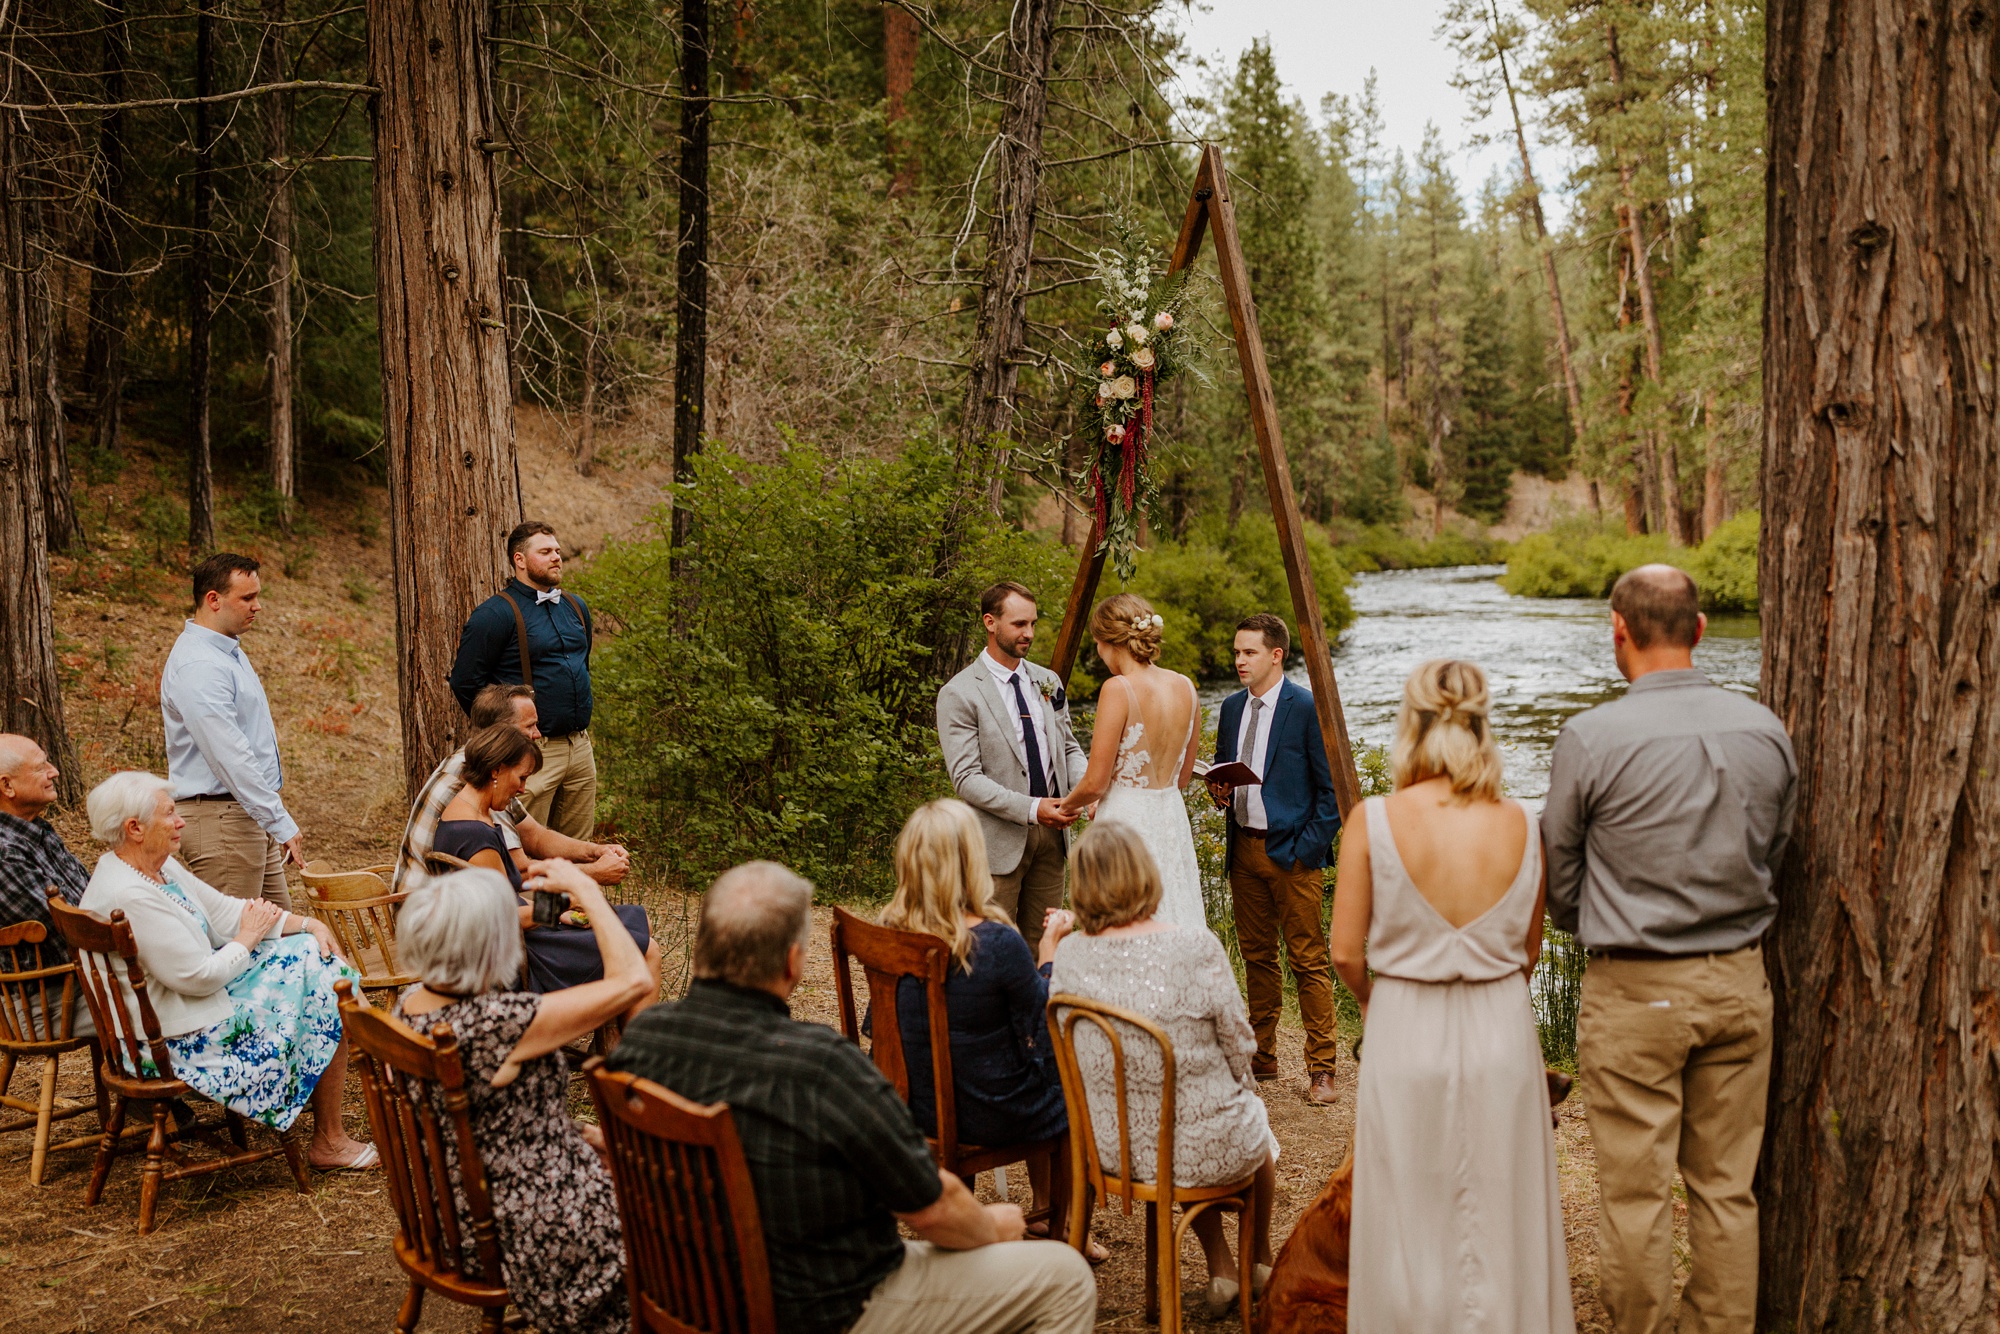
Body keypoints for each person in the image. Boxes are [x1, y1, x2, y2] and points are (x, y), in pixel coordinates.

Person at [609, 861, 1096, 1334]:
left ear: (701, 947)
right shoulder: (820, 1066)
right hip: (832, 1307)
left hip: (688, 1296)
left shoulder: (643, 1041)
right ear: (793, 961)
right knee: (1065, 1276)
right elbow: (931, 1208)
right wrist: (995, 1227)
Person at [1542, 564, 1796, 1334]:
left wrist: (1614, 925)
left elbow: (1561, 879)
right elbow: (1774, 852)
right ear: (1701, 630)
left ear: (1618, 629)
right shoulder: (1766, 729)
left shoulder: (1590, 738)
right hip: (1740, 982)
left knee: (1635, 1194)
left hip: (1635, 990)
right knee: (1726, 1189)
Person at [1329, 659, 1574, 1334]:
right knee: (1502, 1206)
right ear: (1482, 725)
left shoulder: (1374, 820)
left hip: (1406, 1021)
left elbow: (1346, 951)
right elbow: (1527, 953)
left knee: (1409, 1204)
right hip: (1500, 1028)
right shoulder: (1523, 823)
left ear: (1410, 724)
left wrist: (1376, 1001)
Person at [395, 863, 650, 1334]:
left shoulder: (411, 1003)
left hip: (451, 1208)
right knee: (680, 1214)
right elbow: (635, 981)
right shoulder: (496, 1023)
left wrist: (573, 1133)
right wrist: (589, 893)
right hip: (527, 1222)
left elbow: (490, 1113)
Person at [77, 771, 373, 1168]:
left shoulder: (154, 868)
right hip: (176, 1042)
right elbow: (198, 977)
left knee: (312, 955)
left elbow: (227, 911)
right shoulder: (130, 894)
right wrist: (248, 938)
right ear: (135, 828)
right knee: (325, 988)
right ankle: (342, 1126)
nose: (181, 820)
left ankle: (378, 1069)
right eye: (170, 814)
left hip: (185, 1012)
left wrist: (308, 924)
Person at [1047, 822, 1277, 1318]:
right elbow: (1242, 1044)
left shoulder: (1068, 955)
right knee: (1245, 1119)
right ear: (1145, 875)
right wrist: (1238, 1082)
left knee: (1174, 1121)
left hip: (1112, 1148)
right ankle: (1257, 1262)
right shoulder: (1196, 946)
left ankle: (1222, 1270)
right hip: (1198, 1146)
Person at [879, 800, 1102, 1259]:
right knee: (1077, 1086)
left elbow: (877, 1028)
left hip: (909, 1106)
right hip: (988, 1109)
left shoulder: (888, 935)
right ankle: (1065, 1229)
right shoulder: (997, 942)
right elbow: (1044, 1030)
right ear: (970, 861)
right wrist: (1049, 951)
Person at [1205, 613, 1342, 1106]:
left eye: (1249, 653)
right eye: (1237, 652)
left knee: (1308, 960)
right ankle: (1262, 1054)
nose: (1239, 660)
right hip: (1243, 848)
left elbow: (1331, 795)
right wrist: (1220, 793)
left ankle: (1322, 1068)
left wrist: (1305, 850)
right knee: (1257, 957)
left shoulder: (1306, 707)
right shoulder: (1228, 707)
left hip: (1293, 854)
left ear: (1276, 654)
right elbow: (1228, 773)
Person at [431, 724, 658, 1011]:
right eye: (522, 777)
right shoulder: (474, 833)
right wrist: (562, 903)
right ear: (496, 770)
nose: (523, 789)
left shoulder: (468, 813)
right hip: (522, 956)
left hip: (524, 938)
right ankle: (626, 1050)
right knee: (646, 950)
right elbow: (504, 919)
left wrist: (564, 908)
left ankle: (612, 1038)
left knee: (638, 923)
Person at [936, 581, 1086, 953]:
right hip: (996, 841)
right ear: (990, 622)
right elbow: (967, 779)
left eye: (1033, 624)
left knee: (1043, 944)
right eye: (1019, 624)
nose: (1029, 633)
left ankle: (1036, 1013)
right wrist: (1033, 808)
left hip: (1053, 839)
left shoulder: (1048, 681)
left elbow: (1068, 747)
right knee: (989, 947)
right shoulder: (960, 693)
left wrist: (1087, 792)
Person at [1055, 594, 1207, 933]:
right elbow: (1182, 778)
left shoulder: (1118, 688)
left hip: (1125, 823)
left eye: (1097, 643)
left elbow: (1096, 782)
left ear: (1110, 642)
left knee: (1122, 918)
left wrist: (1067, 806)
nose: (1098, 652)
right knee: (1176, 906)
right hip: (1171, 816)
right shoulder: (1186, 687)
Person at [160, 552, 302, 908]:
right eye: (247, 598)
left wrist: (269, 817)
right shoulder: (199, 665)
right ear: (213, 599)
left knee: (280, 935)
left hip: (245, 813)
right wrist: (279, 821)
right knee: (239, 946)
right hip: (220, 820)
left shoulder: (225, 652)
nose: (258, 607)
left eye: (257, 596)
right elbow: (230, 756)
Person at [393, 684, 630, 895]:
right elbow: (519, 876)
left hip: (471, 910)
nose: (538, 734)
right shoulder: (477, 781)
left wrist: (597, 851)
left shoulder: (491, 766)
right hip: (431, 918)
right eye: (531, 726)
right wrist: (592, 875)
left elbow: (536, 836)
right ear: (500, 732)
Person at [449, 521, 599, 841]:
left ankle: (568, 894)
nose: (556, 557)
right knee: (528, 846)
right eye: (545, 552)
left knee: (575, 846)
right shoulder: (494, 614)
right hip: (529, 749)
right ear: (519, 560)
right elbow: (464, 682)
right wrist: (504, 737)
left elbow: (581, 666)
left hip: (580, 746)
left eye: (557, 551)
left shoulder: (576, 607)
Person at [0, 735, 91, 966]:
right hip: (60, 986)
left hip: (93, 967)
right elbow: (67, 927)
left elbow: (88, 895)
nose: (55, 772)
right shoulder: (6, 852)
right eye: (41, 767)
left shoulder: (34, 829)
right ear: (7, 786)